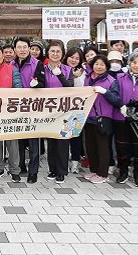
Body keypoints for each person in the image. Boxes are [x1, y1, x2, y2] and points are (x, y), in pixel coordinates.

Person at [114, 50, 138, 187]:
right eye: (134, 62)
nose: (137, 65)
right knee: (122, 146)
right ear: (129, 64)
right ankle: (123, 171)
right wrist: (121, 105)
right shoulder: (120, 78)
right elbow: (114, 94)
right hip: (121, 117)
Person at [0, 44, 23, 183]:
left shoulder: (12, 70)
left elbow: (18, 88)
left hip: (10, 111)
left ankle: (14, 171)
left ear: (3, 55)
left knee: (12, 142)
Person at [82, 55, 122, 184]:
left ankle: (102, 173)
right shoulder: (88, 78)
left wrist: (105, 92)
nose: (98, 67)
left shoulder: (111, 80)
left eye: (102, 65)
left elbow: (117, 100)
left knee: (102, 146)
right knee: (90, 146)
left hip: (103, 117)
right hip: (88, 116)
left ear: (106, 67)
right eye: (96, 64)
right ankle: (94, 170)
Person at [12, 37, 46, 183]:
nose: (22, 50)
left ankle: (33, 172)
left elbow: (43, 84)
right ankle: (20, 167)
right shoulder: (12, 64)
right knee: (19, 140)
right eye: (19, 47)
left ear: (29, 48)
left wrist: (36, 85)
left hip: (33, 108)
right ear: (15, 49)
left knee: (34, 143)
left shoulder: (37, 64)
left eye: (25, 47)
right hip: (17, 108)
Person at [43, 41, 74, 183]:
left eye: (58, 52)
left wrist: (60, 75)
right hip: (49, 111)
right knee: (51, 142)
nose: (55, 54)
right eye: (52, 51)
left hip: (65, 112)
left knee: (62, 141)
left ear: (62, 54)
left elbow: (70, 88)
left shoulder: (68, 70)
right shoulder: (43, 69)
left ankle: (61, 171)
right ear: (48, 53)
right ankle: (52, 169)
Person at [64, 47, 87, 173]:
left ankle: (74, 162)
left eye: (77, 58)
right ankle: (63, 159)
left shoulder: (84, 73)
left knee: (75, 136)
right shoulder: (61, 69)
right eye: (72, 57)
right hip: (62, 109)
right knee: (63, 135)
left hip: (78, 110)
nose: (74, 60)